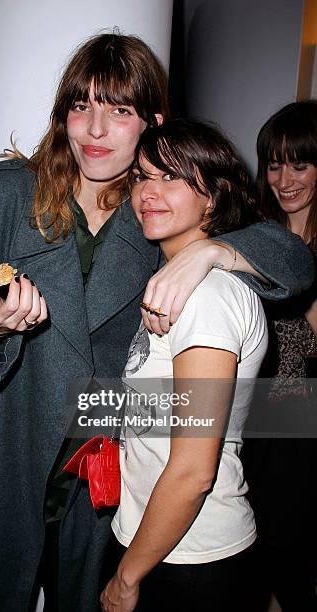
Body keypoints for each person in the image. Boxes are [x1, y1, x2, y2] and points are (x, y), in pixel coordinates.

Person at [0, 33, 314, 612]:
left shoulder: (156, 209)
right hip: (2, 458)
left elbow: (294, 258)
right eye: (82, 106)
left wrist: (212, 253)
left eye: (120, 111)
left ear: (152, 120)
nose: (95, 130)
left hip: (98, 481)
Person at [99, 118, 268, 612]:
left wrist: (127, 579)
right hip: (164, 542)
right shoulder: (175, 281)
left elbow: (194, 470)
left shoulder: (207, 297)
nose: (148, 192)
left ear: (213, 196)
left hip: (190, 557)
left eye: (171, 177)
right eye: (142, 176)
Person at [242, 100, 317, 612]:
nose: (283, 179)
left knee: (288, 547)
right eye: (273, 164)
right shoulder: (260, 234)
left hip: (299, 413)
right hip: (252, 407)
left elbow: (309, 340)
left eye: (299, 164)